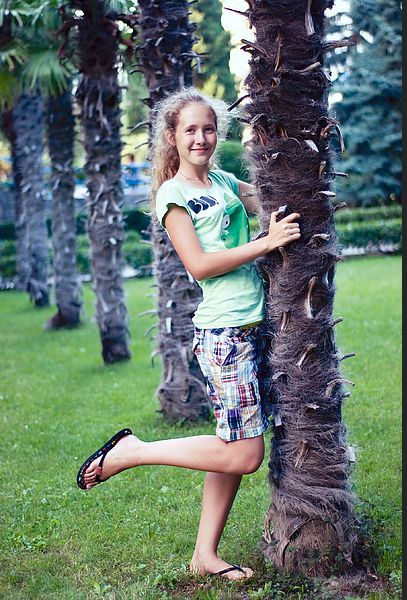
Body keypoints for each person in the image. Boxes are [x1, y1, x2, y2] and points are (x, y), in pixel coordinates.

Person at [77, 87, 301, 581]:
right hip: (224, 333)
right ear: (172, 139)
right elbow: (199, 265)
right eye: (190, 130)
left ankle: (205, 554)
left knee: (230, 445)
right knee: (244, 454)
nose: (201, 138)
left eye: (208, 128)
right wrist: (266, 244)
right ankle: (132, 452)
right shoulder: (173, 195)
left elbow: (269, 193)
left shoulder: (223, 180)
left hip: (253, 326)